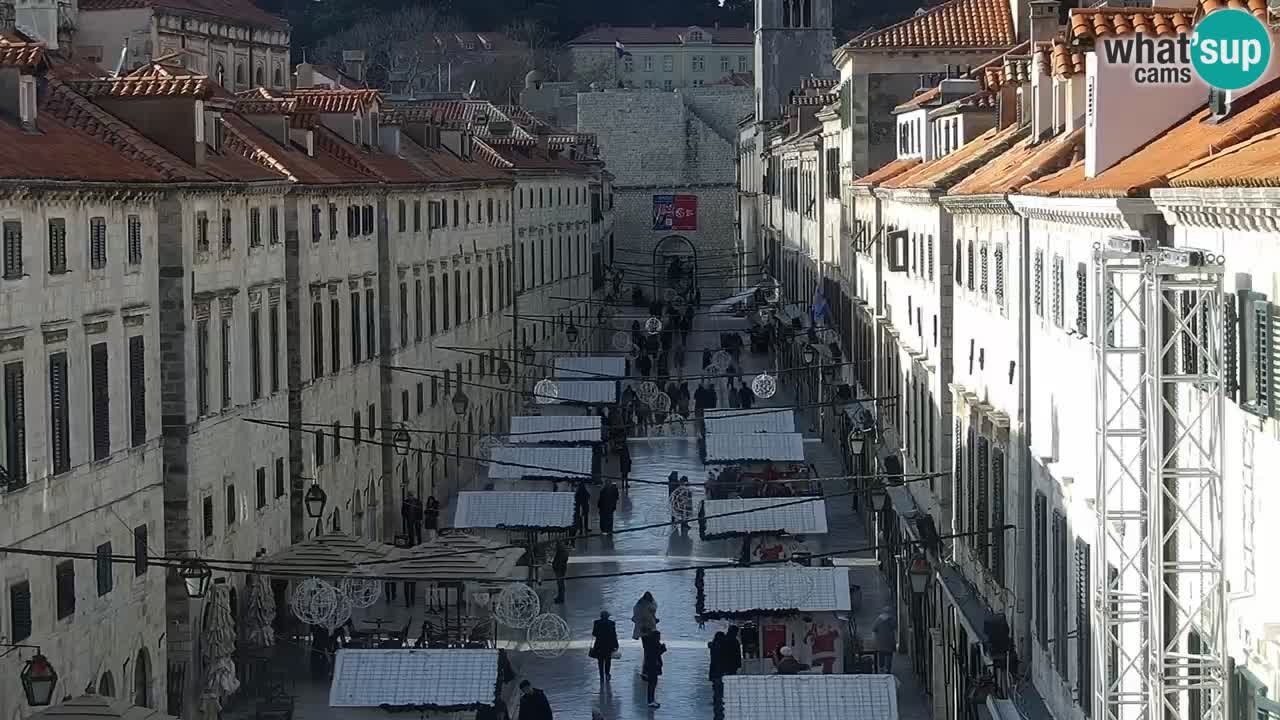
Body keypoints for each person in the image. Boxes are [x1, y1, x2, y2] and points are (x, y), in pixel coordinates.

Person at [590, 611, 620, 682]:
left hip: (599, 645)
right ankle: (607, 674)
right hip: (609, 645)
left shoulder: (596, 622)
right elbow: (613, 635)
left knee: (600, 661)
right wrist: (616, 644)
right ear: (608, 616)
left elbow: (594, 633)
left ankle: (601, 676)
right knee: (608, 660)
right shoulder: (612, 623)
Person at [642, 630, 667, 708]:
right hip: (653, 667)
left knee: (652, 684)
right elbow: (656, 654)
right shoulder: (654, 645)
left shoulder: (649, 644)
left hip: (650, 666)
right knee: (652, 684)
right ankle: (651, 701)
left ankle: (651, 700)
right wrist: (663, 648)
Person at [872, 607, 897, 673]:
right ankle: (888, 669)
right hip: (889, 641)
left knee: (881, 655)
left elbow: (874, 630)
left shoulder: (878, 620)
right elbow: (894, 627)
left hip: (880, 642)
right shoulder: (892, 620)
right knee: (889, 655)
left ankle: (881, 668)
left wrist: (874, 641)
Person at [708, 630, 726, 706]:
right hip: (720, 670)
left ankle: (716, 700)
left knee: (716, 687)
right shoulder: (722, 647)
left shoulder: (713, 646)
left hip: (713, 669)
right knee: (720, 687)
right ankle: (719, 700)